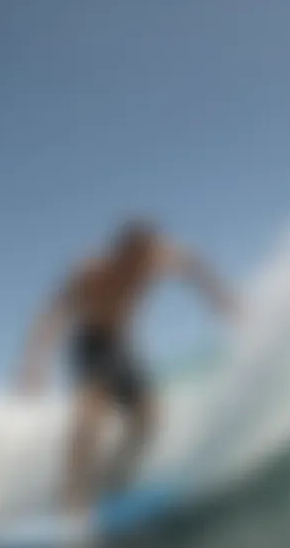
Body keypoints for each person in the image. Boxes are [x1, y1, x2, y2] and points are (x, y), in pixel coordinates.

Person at [16, 218, 237, 512]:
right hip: (91, 344)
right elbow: (53, 315)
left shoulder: (157, 260)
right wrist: (34, 363)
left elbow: (192, 264)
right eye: (136, 261)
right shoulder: (91, 272)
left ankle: (114, 480)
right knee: (90, 416)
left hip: (123, 346)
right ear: (121, 254)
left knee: (150, 420)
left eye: (146, 260)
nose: (142, 270)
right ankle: (72, 495)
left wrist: (219, 298)